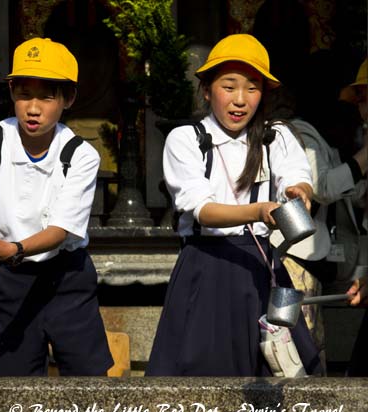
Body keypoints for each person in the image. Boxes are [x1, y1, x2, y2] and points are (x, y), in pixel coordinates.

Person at [146, 34, 324, 380]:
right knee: (212, 383)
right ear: (207, 89)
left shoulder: (278, 136)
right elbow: (200, 209)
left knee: (280, 377)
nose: (240, 100)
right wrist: (257, 211)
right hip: (206, 266)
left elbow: (297, 175)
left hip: (262, 266)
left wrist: (298, 191)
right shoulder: (186, 139)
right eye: (229, 87)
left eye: (253, 88)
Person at [0, 37, 113, 378]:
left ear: (68, 98)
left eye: (47, 97)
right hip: (12, 280)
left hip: (67, 278)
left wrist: (11, 249)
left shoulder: (80, 154)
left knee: (93, 395)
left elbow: (59, 231)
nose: (33, 108)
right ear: (11, 93)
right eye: (24, 95)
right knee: (10, 397)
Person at [265, 84, 368, 372]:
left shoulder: (327, 142)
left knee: (311, 342)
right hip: (292, 257)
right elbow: (323, 188)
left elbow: (349, 191)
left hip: (314, 261)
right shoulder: (300, 132)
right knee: (291, 345)